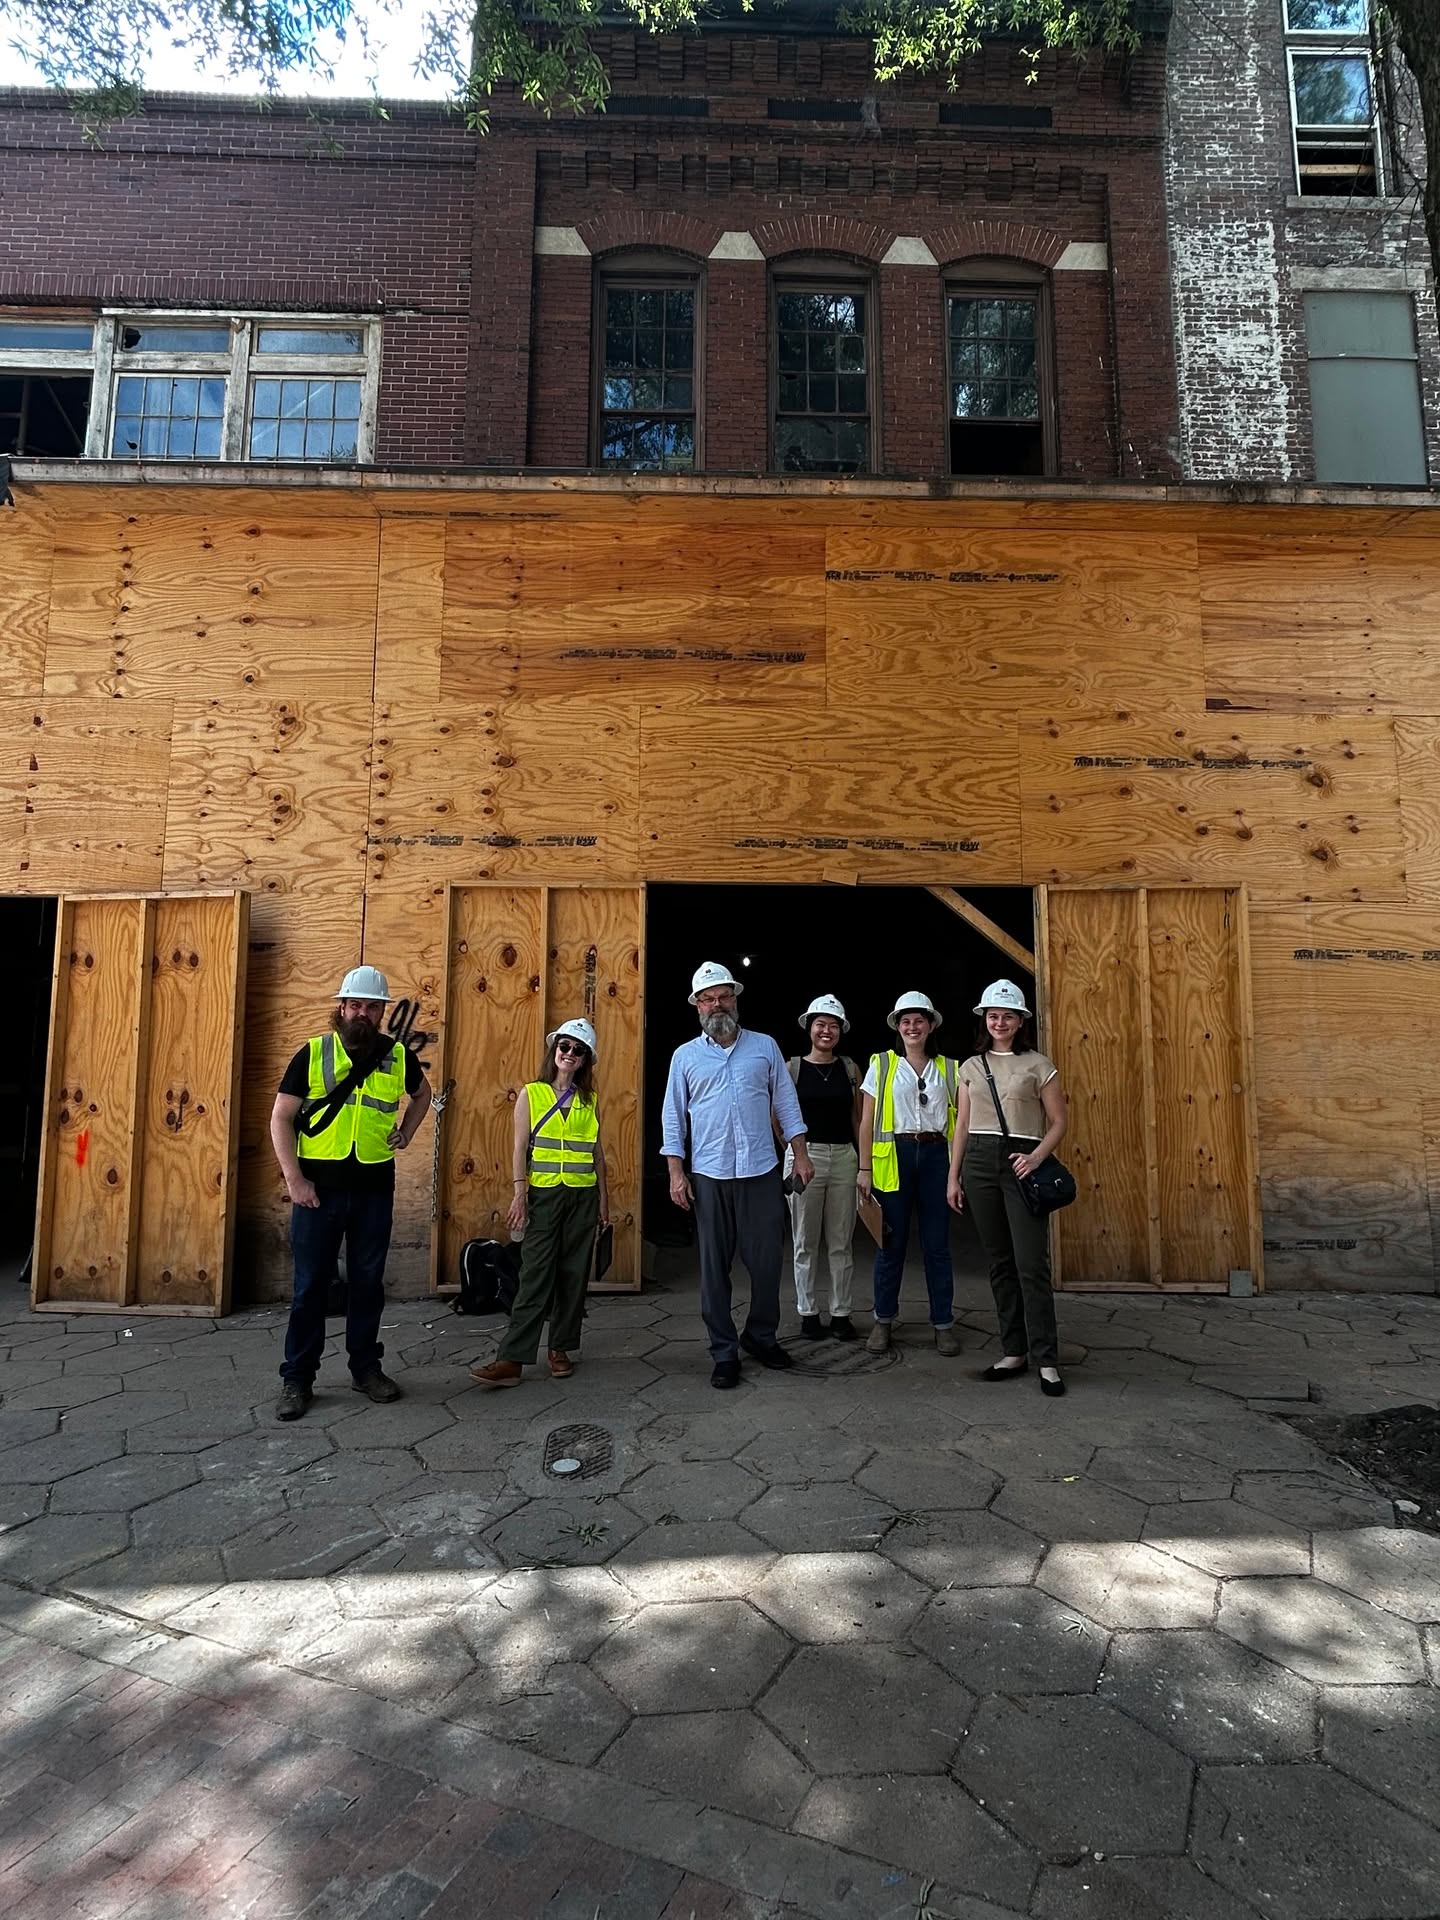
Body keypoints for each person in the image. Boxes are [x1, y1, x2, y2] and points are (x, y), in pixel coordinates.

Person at [269, 965, 432, 1422]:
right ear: (341, 1008)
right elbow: (280, 1118)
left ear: (382, 1012)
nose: (363, 1013)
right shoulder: (314, 1053)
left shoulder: (399, 1056)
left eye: (372, 1006)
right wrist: (294, 1181)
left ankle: (365, 1369)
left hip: (374, 1189)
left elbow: (423, 1095)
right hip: (317, 1191)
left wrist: (406, 1133)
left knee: (367, 1285)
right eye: (355, 1005)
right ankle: (297, 1379)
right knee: (309, 1289)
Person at [661, 960, 815, 1389]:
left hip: (761, 1170)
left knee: (766, 1263)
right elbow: (673, 1118)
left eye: (724, 996)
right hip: (709, 1175)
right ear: (697, 1007)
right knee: (713, 1269)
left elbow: (786, 1105)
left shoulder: (764, 1047)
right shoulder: (684, 1057)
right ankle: (724, 1351)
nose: (717, 1004)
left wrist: (799, 1155)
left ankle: (760, 1336)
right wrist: (676, 1173)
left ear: (736, 999)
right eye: (708, 998)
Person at [470, 1018, 609, 1390]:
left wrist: (605, 1203)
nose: (569, 1054)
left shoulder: (590, 1100)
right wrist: (520, 1193)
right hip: (544, 1195)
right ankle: (512, 1359)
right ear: (554, 1051)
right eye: (565, 1046)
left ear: (585, 1060)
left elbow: (597, 1155)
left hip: (583, 1195)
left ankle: (560, 1349)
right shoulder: (533, 1094)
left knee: (574, 1274)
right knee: (535, 1275)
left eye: (578, 1050)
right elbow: (518, 1147)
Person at [947, 979, 1070, 1397]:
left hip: (1023, 1160)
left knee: (1031, 1263)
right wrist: (954, 1175)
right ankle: (1013, 1350)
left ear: (1021, 1021)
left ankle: (1047, 1360)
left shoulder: (1039, 1064)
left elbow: (1058, 1122)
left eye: (1008, 1015)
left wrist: (1036, 1158)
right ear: (985, 1019)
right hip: (979, 1160)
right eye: (993, 1015)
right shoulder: (971, 1066)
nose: (1000, 1021)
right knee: (999, 1262)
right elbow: (961, 1126)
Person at [857, 991, 963, 1357]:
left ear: (931, 1025)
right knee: (891, 1245)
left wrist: (957, 1172)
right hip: (895, 1160)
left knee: (937, 1245)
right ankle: (883, 1321)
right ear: (897, 1027)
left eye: (919, 1020)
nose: (912, 1027)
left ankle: (943, 1324)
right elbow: (867, 1121)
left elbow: (962, 1123)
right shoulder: (882, 1065)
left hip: (937, 1158)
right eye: (906, 1021)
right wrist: (864, 1168)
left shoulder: (952, 1068)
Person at [785, 993, 861, 1341]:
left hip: (845, 1156)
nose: (826, 1031)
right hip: (805, 1156)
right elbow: (778, 1113)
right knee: (805, 1239)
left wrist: (863, 1161)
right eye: (820, 1024)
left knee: (841, 1240)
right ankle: (808, 1312)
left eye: (833, 1025)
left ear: (840, 1030)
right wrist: (789, 1150)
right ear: (809, 1028)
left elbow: (858, 1117)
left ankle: (841, 1313)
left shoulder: (849, 1069)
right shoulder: (793, 1068)